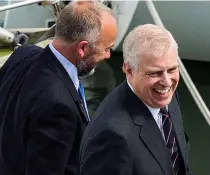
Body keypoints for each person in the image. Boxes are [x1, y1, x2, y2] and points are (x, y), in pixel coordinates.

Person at [0, 1, 117, 175]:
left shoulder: (22, 54)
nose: (108, 56)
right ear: (82, 48)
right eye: (106, 49)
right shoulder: (59, 106)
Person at [80, 24, 190, 175]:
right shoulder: (112, 136)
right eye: (155, 73)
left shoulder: (165, 95)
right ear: (129, 70)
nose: (167, 82)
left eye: (172, 69)